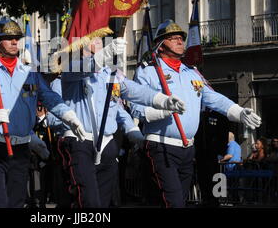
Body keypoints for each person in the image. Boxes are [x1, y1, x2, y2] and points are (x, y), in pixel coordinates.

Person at [130, 20, 262, 208]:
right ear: (160, 45)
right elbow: (136, 109)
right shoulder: (148, 71)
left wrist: (238, 111)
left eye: (181, 38)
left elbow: (212, 97)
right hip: (161, 146)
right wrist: (164, 111)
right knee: (174, 202)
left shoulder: (191, 72)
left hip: (187, 149)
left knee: (175, 201)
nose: (179, 41)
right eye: (172, 38)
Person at [0, 17, 86, 208]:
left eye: (16, 38)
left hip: (21, 148)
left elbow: (50, 98)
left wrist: (70, 116)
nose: (14, 42)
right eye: (8, 38)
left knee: (17, 203)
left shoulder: (30, 73)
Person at [49, 36, 187, 208]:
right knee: (87, 201)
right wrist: (106, 53)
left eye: (101, 38)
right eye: (94, 37)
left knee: (104, 202)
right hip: (80, 141)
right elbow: (87, 67)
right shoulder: (72, 67)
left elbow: (132, 91)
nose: (100, 40)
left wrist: (161, 100)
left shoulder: (110, 73)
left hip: (106, 143)